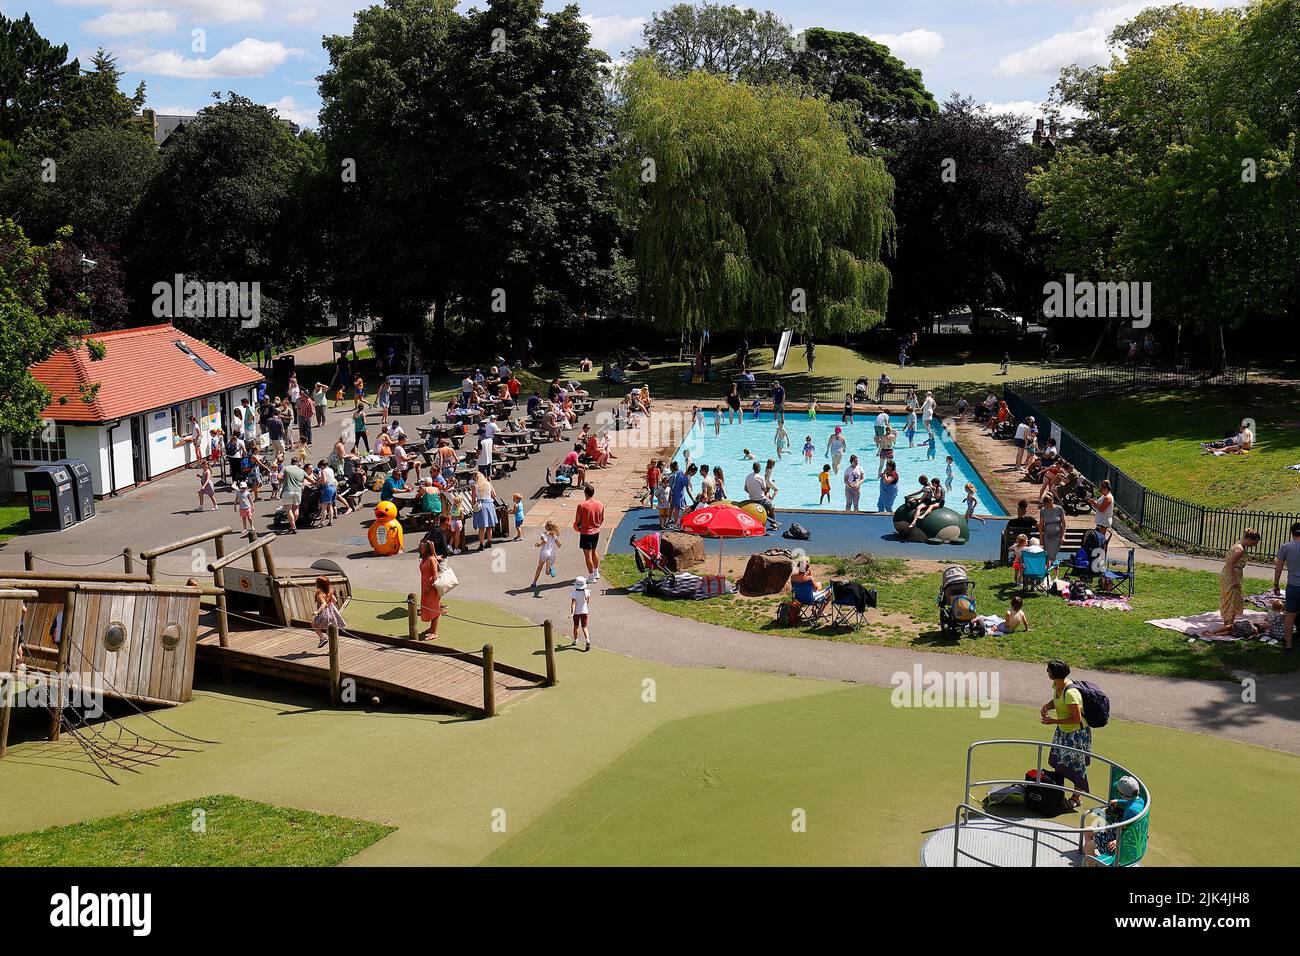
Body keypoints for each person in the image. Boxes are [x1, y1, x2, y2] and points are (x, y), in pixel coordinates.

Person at [1040, 659, 1090, 806]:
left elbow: (1076, 718)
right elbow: (1056, 700)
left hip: (1076, 735)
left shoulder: (1071, 693)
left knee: (1077, 766)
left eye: (1048, 670)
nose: (1047, 672)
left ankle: (1077, 797)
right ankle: (1059, 793)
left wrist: (1053, 721)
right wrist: (1046, 706)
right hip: (1063, 732)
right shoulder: (1057, 685)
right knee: (1060, 762)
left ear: (1054, 674)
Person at [1082, 775, 1145, 866]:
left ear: (1123, 795)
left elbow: (1130, 831)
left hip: (1121, 841)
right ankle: (1092, 859)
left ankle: (1091, 861)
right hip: (1119, 831)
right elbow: (1130, 801)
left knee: (1088, 846)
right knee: (1087, 831)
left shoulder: (1132, 811)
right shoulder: (1140, 800)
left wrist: (1117, 841)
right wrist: (1118, 801)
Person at [1210, 529, 1260, 635]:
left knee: (1229, 599)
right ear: (1248, 539)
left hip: (1228, 574)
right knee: (1232, 599)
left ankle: (1227, 624)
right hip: (1230, 576)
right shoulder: (1240, 549)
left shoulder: (1239, 544)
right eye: (1254, 542)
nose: (1255, 545)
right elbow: (1230, 562)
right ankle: (1229, 625)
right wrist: (1234, 579)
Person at [1272, 521, 1300, 653]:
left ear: (1292, 533)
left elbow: (1278, 568)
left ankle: (1288, 645)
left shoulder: (1285, 547)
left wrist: (1276, 584)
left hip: (1293, 586)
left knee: (1290, 615)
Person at [574, 483, 605, 581]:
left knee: (587, 556)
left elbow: (577, 521)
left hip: (586, 533)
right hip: (596, 532)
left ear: (585, 493)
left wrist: (579, 527)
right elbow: (602, 519)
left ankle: (591, 576)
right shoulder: (600, 504)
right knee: (594, 551)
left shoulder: (581, 505)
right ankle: (596, 572)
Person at [417, 539, 443, 640]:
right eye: (420, 546)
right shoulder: (424, 558)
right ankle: (432, 628)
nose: (420, 548)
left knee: (434, 608)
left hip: (431, 587)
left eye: (422, 547)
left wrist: (428, 587)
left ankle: (434, 632)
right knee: (429, 607)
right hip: (425, 585)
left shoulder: (431, 559)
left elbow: (435, 576)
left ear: (427, 548)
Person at [471, 470, 498, 552]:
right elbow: (494, 495)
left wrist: (473, 505)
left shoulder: (475, 486)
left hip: (481, 506)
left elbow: (473, 499)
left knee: (481, 527)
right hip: (489, 505)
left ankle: (481, 544)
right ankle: (489, 541)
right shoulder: (489, 484)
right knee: (489, 526)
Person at [531, 519, 563, 590]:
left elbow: (545, 541)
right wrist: (561, 543)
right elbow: (558, 545)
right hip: (551, 554)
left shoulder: (543, 534)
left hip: (544, 553)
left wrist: (539, 545)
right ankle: (550, 569)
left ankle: (534, 582)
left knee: (539, 567)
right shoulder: (554, 536)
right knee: (547, 572)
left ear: (546, 527)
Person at [280, 459, 309, 533]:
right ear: (298, 463)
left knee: (289, 509)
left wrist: (284, 480)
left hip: (288, 491)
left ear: (291, 462)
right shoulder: (301, 470)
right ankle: (292, 525)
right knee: (296, 508)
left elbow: (279, 477)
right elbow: (309, 478)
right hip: (298, 491)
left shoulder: (286, 468)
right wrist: (315, 482)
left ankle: (293, 527)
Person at [1038, 493, 1066, 564]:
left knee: (1053, 554)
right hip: (1047, 536)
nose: (1047, 506)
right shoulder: (1043, 510)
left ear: (1052, 501)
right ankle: (1049, 569)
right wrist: (1041, 537)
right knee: (1047, 555)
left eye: (1049, 504)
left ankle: (1054, 568)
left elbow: (1064, 524)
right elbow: (1041, 524)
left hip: (1057, 536)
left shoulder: (1059, 509)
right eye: (1046, 504)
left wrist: (1063, 536)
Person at [1088, 479, 1115, 548]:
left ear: (1105, 489)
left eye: (1102, 490)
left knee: (1101, 538)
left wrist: (1094, 503)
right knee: (1097, 537)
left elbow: (1102, 509)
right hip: (1100, 520)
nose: (1100, 491)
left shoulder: (1108, 498)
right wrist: (1093, 502)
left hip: (1104, 521)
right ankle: (1099, 550)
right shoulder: (1104, 496)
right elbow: (1099, 505)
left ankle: (1102, 551)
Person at [570, 576, 592, 652]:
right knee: (584, 627)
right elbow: (588, 601)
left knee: (576, 626)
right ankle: (587, 640)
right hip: (585, 612)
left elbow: (573, 603)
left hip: (576, 612)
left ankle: (576, 640)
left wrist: (572, 612)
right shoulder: (587, 592)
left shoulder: (574, 593)